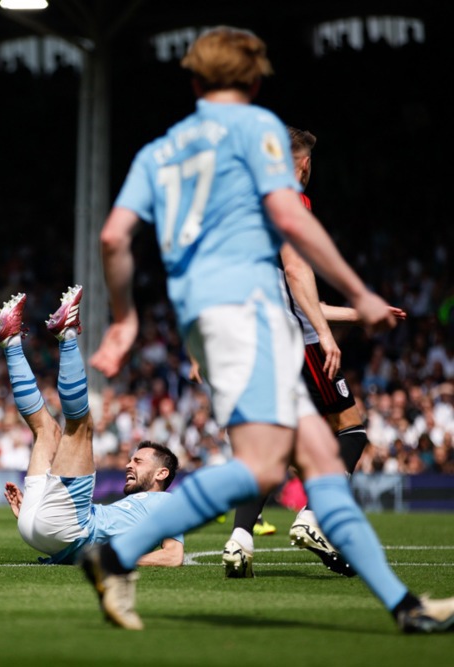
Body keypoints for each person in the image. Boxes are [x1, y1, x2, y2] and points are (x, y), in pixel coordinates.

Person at [82, 26, 454, 633]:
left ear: (195, 81)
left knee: (319, 459)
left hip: (208, 321)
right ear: (254, 84)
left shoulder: (159, 153)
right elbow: (293, 237)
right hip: (253, 320)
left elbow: (112, 237)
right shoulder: (258, 137)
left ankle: (405, 607)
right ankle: (116, 555)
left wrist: (124, 318)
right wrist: (356, 297)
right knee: (263, 467)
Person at [220, 127, 408, 578]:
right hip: (295, 344)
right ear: (301, 164)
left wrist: (357, 313)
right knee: (352, 431)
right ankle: (313, 519)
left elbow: (293, 293)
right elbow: (297, 271)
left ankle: (239, 540)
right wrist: (324, 334)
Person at [0, 286, 183, 567]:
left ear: (162, 473)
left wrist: (113, 558)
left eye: (139, 461)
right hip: (42, 525)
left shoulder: (169, 505)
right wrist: (37, 509)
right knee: (47, 430)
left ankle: (67, 335)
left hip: (66, 530)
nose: (129, 465)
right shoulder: (132, 506)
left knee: (80, 427)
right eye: (132, 460)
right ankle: (11, 344)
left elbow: (173, 557)